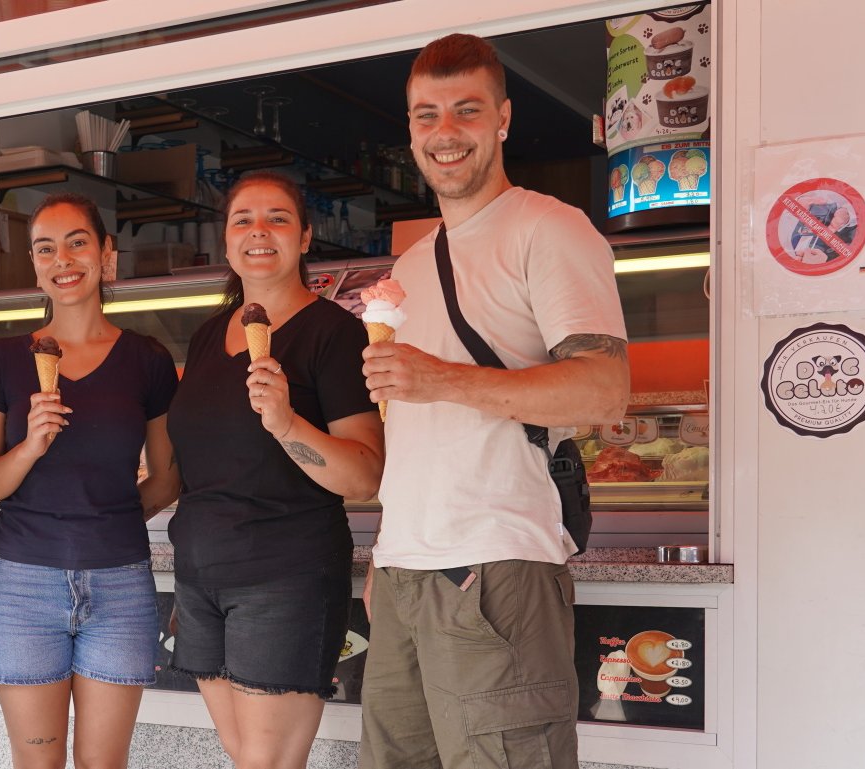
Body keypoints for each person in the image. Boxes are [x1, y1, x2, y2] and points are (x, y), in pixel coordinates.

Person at [358, 34, 631, 769]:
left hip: (498, 568)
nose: (444, 133)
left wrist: (439, 378)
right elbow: (420, 434)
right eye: (426, 116)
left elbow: (603, 388)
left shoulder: (548, 228)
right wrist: (388, 558)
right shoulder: (414, 262)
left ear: (502, 119)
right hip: (407, 572)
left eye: (465, 111)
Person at [167, 171, 385, 769]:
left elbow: (364, 475)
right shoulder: (211, 334)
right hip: (200, 577)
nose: (258, 231)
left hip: (284, 576)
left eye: (278, 218)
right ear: (227, 240)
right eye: (243, 219)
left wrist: (288, 423)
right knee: (245, 757)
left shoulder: (334, 333)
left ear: (306, 236)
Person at [0, 192, 181, 769]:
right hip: (22, 587)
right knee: (37, 763)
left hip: (120, 586)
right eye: (45, 248)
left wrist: (102, 518)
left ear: (106, 255)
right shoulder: (1, 360)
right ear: (35, 266)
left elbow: (165, 480)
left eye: (77, 242)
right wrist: (31, 445)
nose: (62, 259)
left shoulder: (147, 359)